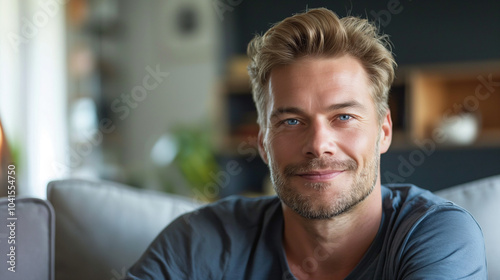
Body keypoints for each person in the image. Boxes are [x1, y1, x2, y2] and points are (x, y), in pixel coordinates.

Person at [125, 8, 487, 279]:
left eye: (343, 117)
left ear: (384, 131)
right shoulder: (202, 241)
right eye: (291, 121)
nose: (318, 144)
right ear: (263, 142)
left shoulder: (438, 237)